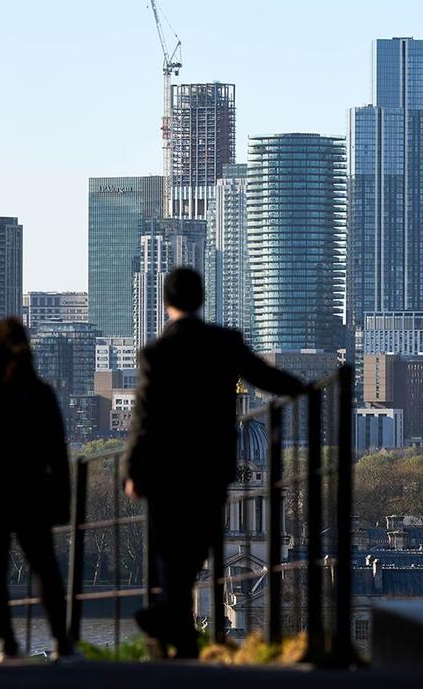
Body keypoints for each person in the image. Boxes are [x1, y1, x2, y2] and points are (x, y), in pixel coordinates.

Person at [123, 267, 306, 659]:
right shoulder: (224, 343)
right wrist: (304, 388)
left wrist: (133, 472)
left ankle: (168, 623)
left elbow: (144, 418)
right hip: (211, 472)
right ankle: (179, 634)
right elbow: (265, 376)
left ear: (166, 303)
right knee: (190, 556)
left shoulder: (156, 352)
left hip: (167, 473)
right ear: (201, 299)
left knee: (171, 553)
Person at [0, 317, 75, 662]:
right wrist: (63, 501)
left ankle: (6, 643)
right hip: (30, 489)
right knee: (45, 568)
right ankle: (61, 642)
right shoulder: (40, 394)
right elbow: (57, 454)